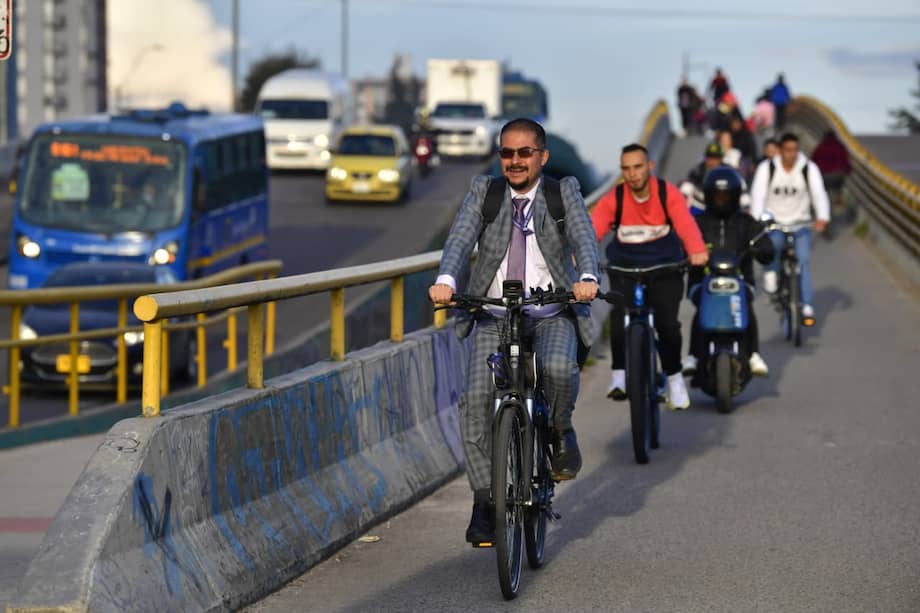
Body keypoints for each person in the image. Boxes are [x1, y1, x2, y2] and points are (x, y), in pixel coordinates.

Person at [428, 118, 599, 544]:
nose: (516, 161)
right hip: (494, 315)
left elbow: (583, 237)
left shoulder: (563, 193)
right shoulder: (484, 193)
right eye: (507, 153)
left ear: (541, 156)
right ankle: (486, 502)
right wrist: (447, 280)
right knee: (475, 403)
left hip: (551, 312)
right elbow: (460, 239)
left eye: (525, 153)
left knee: (560, 367)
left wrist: (589, 276)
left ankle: (560, 430)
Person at [591, 143, 709, 410]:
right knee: (620, 316)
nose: (632, 174)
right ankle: (619, 376)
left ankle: (674, 378)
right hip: (626, 266)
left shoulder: (668, 194)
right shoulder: (615, 198)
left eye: (637, 167)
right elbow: (593, 229)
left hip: (664, 267)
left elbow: (686, 225)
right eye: (626, 169)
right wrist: (579, 257)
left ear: (649, 167)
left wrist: (697, 251)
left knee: (667, 325)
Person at [683, 166, 775, 378]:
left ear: (734, 196)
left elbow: (765, 244)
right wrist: (684, 255)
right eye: (717, 196)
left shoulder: (746, 223)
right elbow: (681, 243)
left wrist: (764, 249)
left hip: (741, 281)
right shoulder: (697, 223)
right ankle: (693, 355)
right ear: (708, 195)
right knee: (701, 309)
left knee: (748, 308)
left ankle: (753, 354)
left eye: (726, 196)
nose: (721, 200)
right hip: (702, 281)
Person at [750, 132, 830, 322]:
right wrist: (757, 219)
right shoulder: (767, 168)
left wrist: (822, 217)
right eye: (787, 150)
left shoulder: (808, 168)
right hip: (776, 222)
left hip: (800, 223)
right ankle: (771, 273)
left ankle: (807, 305)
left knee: (803, 261)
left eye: (795, 150)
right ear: (780, 151)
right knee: (774, 247)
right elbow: (758, 195)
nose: (791, 154)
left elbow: (818, 193)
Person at [810, 130, 851, 209]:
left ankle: (816, 204)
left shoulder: (821, 147)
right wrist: (848, 170)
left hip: (823, 175)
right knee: (839, 184)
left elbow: (813, 161)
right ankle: (838, 200)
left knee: (820, 187)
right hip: (837, 175)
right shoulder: (840, 146)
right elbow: (846, 162)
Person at [680, 142, 725, 213]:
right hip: (697, 205)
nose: (712, 161)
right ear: (706, 158)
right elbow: (687, 186)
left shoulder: (726, 173)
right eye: (710, 158)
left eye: (716, 159)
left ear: (721, 160)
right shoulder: (698, 170)